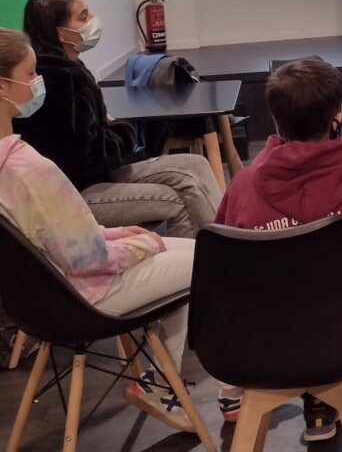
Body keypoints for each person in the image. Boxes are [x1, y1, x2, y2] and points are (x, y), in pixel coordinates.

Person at [0, 28, 198, 433]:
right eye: (31, 73)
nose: (39, 82)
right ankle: (180, 386)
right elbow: (87, 259)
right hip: (84, 295)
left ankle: (160, 383)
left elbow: (52, 236)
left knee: (190, 252)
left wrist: (119, 234)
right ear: (3, 85)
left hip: (41, 299)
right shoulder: (27, 167)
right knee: (208, 261)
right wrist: (144, 243)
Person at [215, 58, 342, 442]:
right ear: (338, 115)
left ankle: (315, 398)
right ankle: (321, 399)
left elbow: (227, 271)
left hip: (266, 338)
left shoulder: (244, 186)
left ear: (276, 119)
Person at [14, 0, 221, 237]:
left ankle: (225, 241)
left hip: (100, 175)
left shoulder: (70, 67)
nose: (93, 20)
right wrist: (120, 130)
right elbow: (85, 155)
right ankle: (217, 249)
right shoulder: (58, 79)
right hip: (77, 191)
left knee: (195, 164)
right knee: (175, 197)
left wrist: (108, 128)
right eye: (83, 17)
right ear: (60, 32)